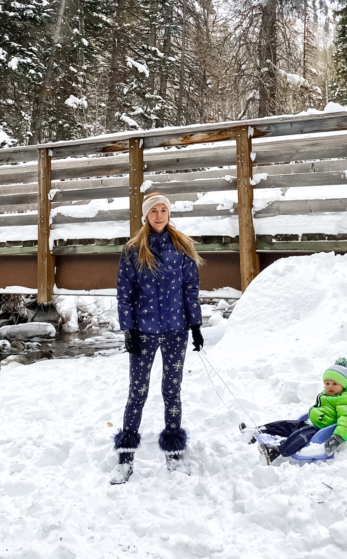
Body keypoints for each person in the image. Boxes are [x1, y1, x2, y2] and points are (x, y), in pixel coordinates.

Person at [110, 193, 204, 485]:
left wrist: (196, 325)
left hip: (176, 330)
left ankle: (173, 453)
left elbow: (190, 289)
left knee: (172, 390)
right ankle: (125, 458)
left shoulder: (182, 248)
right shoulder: (133, 250)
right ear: (146, 216)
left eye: (164, 210)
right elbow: (124, 293)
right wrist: (129, 330)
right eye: (154, 211)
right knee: (137, 392)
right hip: (144, 331)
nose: (160, 215)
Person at [240, 358, 347, 463]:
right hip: (310, 423)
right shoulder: (328, 395)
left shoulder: (345, 399)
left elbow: (346, 419)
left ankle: (275, 451)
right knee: (285, 425)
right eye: (327, 383)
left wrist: (337, 437)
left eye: (334, 384)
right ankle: (256, 431)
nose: (329, 387)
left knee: (298, 437)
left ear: (343, 385)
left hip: (319, 430)